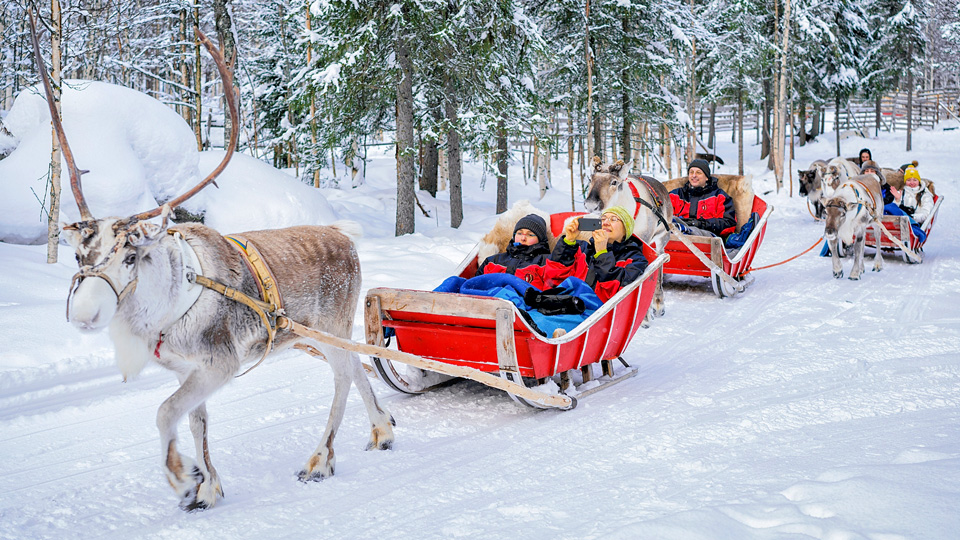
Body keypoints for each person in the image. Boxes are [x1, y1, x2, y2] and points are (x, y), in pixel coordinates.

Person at [545, 206, 649, 303]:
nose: (606, 223)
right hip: (564, 304)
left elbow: (615, 292)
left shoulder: (635, 259)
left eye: (613, 219)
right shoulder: (583, 249)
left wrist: (601, 253)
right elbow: (554, 276)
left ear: (626, 230)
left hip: (594, 314)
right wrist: (569, 240)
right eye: (603, 219)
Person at [475, 214, 550, 288]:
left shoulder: (547, 263)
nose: (523, 238)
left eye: (530, 235)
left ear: (540, 240)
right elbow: (474, 285)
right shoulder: (492, 261)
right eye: (519, 233)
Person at [669, 159, 737, 238]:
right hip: (675, 237)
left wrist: (701, 224)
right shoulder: (675, 195)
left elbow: (729, 224)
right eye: (691, 172)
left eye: (698, 172)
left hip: (707, 239)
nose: (694, 175)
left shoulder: (719, 196)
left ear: (707, 177)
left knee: (691, 232)